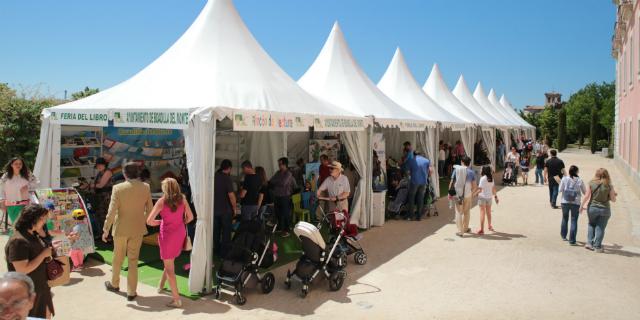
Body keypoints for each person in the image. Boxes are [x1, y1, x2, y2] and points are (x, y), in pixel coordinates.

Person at [103, 162, 154, 302]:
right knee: (133, 260)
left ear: (125, 174)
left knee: (117, 258)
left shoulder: (117, 188)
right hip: (137, 228)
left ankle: (115, 284)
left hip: (120, 228)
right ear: (137, 173)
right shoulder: (146, 187)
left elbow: (112, 211)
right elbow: (150, 209)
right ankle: (131, 291)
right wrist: (144, 222)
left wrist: (105, 228)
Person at [146, 178, 194, 308]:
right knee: (169, 261)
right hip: (180, 234)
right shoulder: (183, 199)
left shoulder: (162, 201)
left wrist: (161, 222)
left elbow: (149, 221)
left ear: (165, 189)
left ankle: (177, 300)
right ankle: (161, 285)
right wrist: (180, 223)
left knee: (169, 268)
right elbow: (190, 217)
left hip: (167, 236)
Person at [4, 204, 54, 318]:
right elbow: (22, 270)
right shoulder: (18, 241)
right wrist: (43, 255)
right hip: (28, 291)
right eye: (43, 219)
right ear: (34, 219)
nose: (45, 222)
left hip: (39, 287)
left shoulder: (32, 234)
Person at [580, 168, 617, 253]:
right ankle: (597, 246)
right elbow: (613, 200)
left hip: (592, 208)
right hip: (605, 209)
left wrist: (581, 206)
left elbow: (586, 196)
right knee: (600, 228)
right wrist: (613, 195)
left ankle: (589, 243)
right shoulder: (609, 185)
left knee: (591, 224)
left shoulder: (591, 183)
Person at [0, 157, 39, 227]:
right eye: (16, 164)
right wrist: (2, 201)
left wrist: (28, 187)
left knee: (26, 226)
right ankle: (15, 238)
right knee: (16, 225)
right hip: (12, 206)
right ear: (11, 165)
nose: (18, 165)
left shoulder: (27, 173)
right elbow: (1, 189)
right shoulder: (6, 176)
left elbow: (37, 183)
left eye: (20, 164)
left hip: (26, 205)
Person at [213, 160, 236, 256]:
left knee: (216, 232)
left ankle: (216, 250)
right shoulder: (227, 179)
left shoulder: (214, 176)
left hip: (214, 210)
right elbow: (231, 196)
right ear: (229, 168)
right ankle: (224, 253)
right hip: (225, 210)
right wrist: (234, 208)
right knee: (226, 232)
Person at [558, 165, 586, 245]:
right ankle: (572, 240)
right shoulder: (580, 180)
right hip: (576, 202)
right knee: (574, 220)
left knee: (564, 218)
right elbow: (585, 192)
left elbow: (560, 190)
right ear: (577, 171)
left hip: (565, 201)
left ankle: (563, 236)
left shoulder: (564, 179)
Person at [450, 156, 476, 237]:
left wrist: (450, 193)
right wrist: (472, 194)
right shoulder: (471, 172)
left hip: (458, 194)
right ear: (469, 163)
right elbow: (475, 186)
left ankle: (460, 231)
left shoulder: (456, 170)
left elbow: (451, 183)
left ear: (462, 162)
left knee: (458, 212)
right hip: (468, 195)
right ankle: (465, 228)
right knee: (467, 212)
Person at [269, 158, 296, 237]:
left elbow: (283, 183)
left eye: (280, 164)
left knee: (285, 213)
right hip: (277, 196)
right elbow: (271, 181)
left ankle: (287, 230)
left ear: (285, 164)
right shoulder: (278, 172)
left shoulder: (288, 173)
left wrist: (276, 182)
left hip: (285, 196)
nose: (279, 166)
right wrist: (277, 181)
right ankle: (280, 227)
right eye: (279, 164)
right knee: (278, 213)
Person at [403, 152, 431, 221]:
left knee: (411, 198)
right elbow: (430, 172)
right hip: (423, 182)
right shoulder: (427, 160)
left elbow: (407, 172)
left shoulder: (412, 160)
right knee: (420, 198)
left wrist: (408, 177)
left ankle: (411, 216)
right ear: (420, 154)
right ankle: (419, 216)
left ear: (414, 155)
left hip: (414, 181)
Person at [89, 157, 113, 239]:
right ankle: (101, 234)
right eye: (97, 165)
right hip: (99, 196)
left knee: (105, 216)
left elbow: (101, 185)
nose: (98, 166)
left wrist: (90, 185)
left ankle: (108, 236)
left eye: (100, 165)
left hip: (106, 197)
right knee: (99, 215)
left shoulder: (108, 172)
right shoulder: (100, 172)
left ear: (104, 165)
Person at [474, 165, 498, 234]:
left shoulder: (483, 178)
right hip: (489, 198)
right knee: (489, 213)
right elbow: (493, 189)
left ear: (484, 170)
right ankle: (490, 226)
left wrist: (474, 194)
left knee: (482, 213)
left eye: (481, 169)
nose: (480, 170)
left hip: (482, 198)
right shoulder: (491, 178)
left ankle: (481, 229)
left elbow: (480, 190)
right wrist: (496, 197)